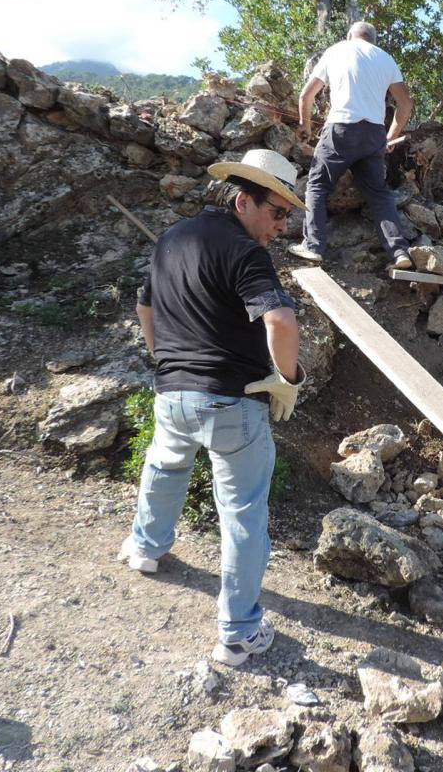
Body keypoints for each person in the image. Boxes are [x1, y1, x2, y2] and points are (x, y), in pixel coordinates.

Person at [117, 148, 307, 666]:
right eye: (277, 212)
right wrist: (286, 379)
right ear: (244, 201)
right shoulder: (246, 253)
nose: (282, 225)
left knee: (164, 466)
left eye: (287, 216)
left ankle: (145, 548)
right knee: (243, 511)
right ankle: (239, 632)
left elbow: (144, 305)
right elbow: (281, 321)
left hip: (172, 393)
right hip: (230, 401)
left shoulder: (172, 238)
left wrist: (164, 360)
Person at [289, 21, 415, 271]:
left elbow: (306, 95)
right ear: (372, 39)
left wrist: (305, 125)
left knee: (317, 185)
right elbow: (405, 105)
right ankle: (399, 252)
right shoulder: (386, 59)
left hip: (341, 128)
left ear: (350, 35)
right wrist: (390, 137)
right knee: (379, 194)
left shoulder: (336, 50)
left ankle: (313, 246)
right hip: (374, 133)